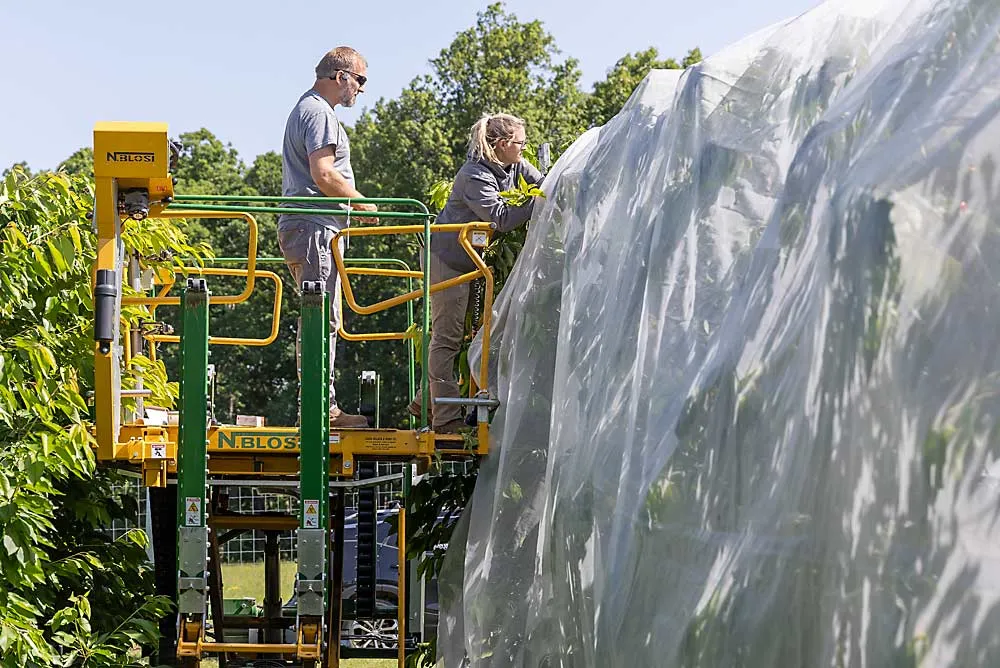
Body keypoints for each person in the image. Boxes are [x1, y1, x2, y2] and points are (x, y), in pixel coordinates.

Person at [412, 112, 543, 433]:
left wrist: (548, 188)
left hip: (472, 261)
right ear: (499, 144)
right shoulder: (474, 175)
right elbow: (501, 218)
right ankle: (445, 421)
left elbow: (541, 183)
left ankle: (424, 401)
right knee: (447, 338)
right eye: (519, 143)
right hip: (448, 261)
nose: (523, 148)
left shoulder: (513, 167)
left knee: (473, 334)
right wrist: (542, 201)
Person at [278, 46, 377, 428]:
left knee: (319, 315)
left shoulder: (309, 109)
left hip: (309, 226)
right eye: (361, 80)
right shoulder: (319, 112)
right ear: (340, 77)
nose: (361, 90)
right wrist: (364, 205)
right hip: (314, 226)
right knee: (321, 318)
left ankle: (320, 406)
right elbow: (324, 174)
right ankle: (322, 410)